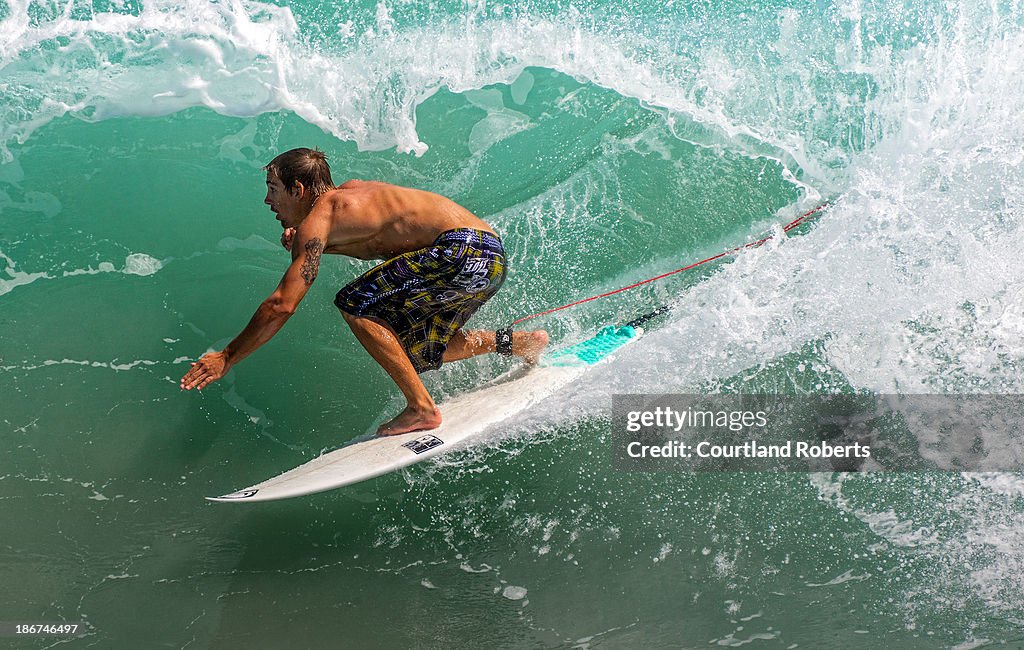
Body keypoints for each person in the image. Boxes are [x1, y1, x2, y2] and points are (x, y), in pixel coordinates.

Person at [180, 148, 548, 435]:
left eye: (273, 190)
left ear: (298, 189)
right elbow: (379, 234)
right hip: (488, 256)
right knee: (412, 349)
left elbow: (282, 305)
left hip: (458, 251)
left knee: (355, 304)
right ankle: (519, 343)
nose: (267, 201)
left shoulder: (319, 220)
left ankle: (421, 407)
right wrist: (314, 240)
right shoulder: (349, 195)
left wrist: (227, 356)